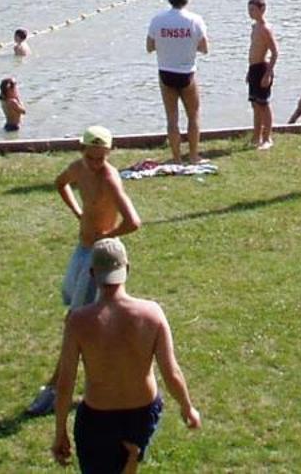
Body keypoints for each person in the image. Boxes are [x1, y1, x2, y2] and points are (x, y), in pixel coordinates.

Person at [49, 235, 200, 471]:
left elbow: (66, 382)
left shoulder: (78, 322)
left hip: (98, 418)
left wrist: (60, 432)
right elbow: (171, 372)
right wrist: (187, 407)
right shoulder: (152, 314)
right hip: (142, 414)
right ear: (127, 269)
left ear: (92, 274)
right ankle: (131, 461)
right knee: (129, 460)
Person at [27, 126, 143, 418]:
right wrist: (78, 213)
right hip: (81, 249)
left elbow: (134, 221)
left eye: (100, 158)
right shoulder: (78, 168)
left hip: (97, 257)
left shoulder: (110, 179)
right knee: (70, 298)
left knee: (74, 321)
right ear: (83, 151)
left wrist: (108, 236)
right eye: (91, 157)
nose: (95, 164)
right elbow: (60, 183)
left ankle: (54, 389)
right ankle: (111, 365)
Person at [145, 0, 209, 165]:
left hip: (166, 72)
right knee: (193, 115)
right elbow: (204, 48)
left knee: (172, 118)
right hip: (187, 72)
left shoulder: (158, 20)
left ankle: (176, 157)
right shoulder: (194, 20)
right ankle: (194, 155)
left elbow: (149, 47)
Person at [245, 0, 278, 150]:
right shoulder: (255, 27)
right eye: (249, 9)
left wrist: (268, 73)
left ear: (262, 9)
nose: (250, 12)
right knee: (255, 104)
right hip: (253, 68)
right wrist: (248, 71)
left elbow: (275, 52)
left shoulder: (265, 28)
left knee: (263, 104)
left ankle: (267, 138)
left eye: (253, 9)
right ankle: (256, 136)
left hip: (262, 68)